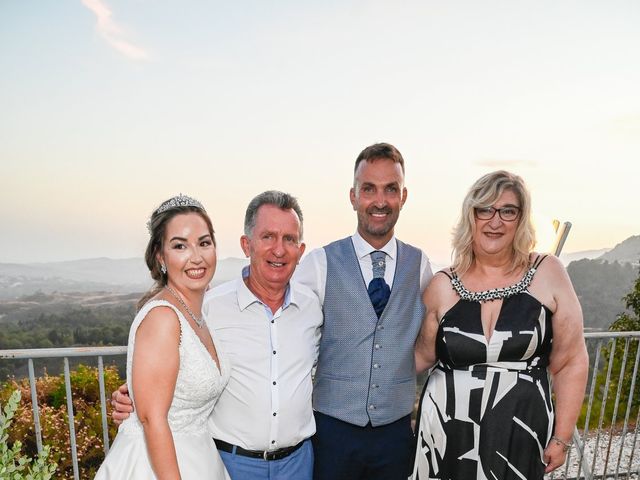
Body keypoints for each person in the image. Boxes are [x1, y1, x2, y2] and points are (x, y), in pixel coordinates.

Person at [112, 191, 323, 480]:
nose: (279, 249)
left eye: (289, 239)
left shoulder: (313, 308)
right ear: (246, 244)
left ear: (301, 250)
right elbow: (160, 377)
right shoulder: (210, 307)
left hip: (297, 464)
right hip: (231, 463)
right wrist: (134, 397)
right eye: (268, 237)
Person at [412, 171, 589, 480]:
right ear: (471, 216)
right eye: (485, 209)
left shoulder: (548, 272)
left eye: (508, 210)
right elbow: (419, 357)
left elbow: (571, 360)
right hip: (446, 431)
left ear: (521, 219)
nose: (495, 221)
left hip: (519, 431)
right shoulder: (441, 285)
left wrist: (561, 438)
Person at [294, 143, 433, 480]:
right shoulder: (319, 263)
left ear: (403, 196)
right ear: (353, 196)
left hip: (396, 434)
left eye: (391, 189)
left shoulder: (421, 266)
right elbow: (283, 337)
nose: (380, 201)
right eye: (368, 189)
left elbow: (434, 339)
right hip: (332, 432)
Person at [96, 194, 230, 479]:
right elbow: (152, 419)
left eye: (204, 243)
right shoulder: (163, 317)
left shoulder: (199, 317)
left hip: (199, 458)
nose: (196, 256)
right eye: (180, 245)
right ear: (161, 256)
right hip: (157, 465)